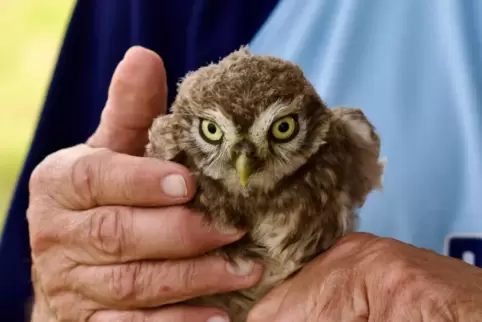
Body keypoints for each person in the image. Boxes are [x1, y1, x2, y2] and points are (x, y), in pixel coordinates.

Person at [3, 0, 482, 321]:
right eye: (212, 133)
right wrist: (73, 296)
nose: (245, 166)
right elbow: (42, 293)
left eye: (282, 130)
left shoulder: (341, 143)